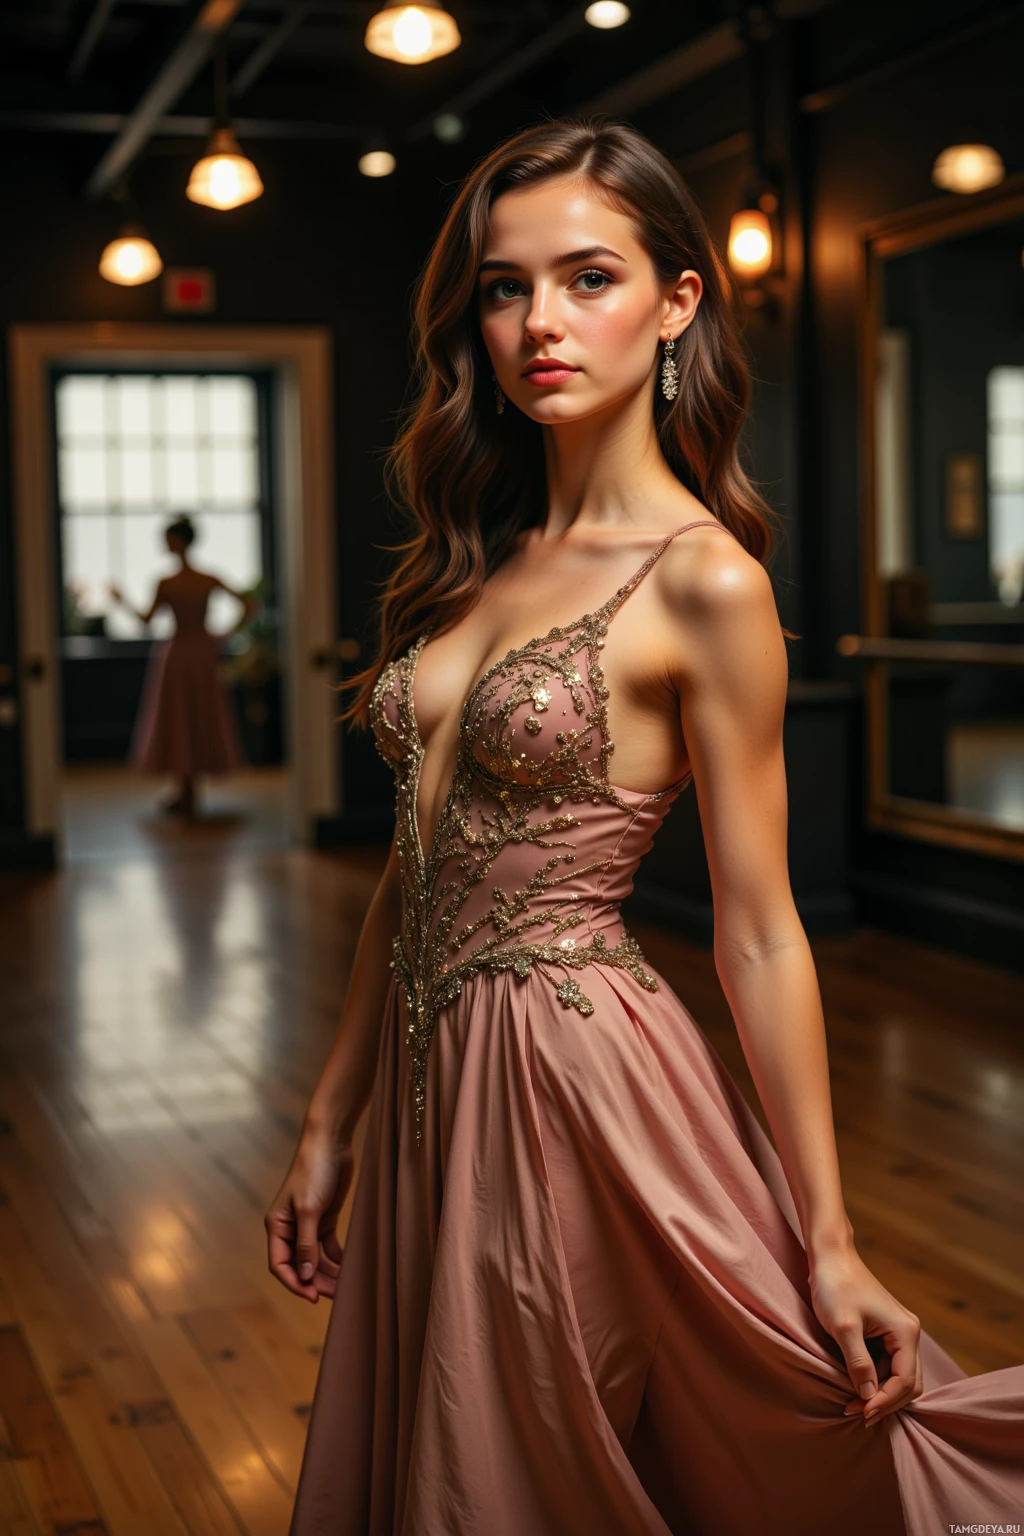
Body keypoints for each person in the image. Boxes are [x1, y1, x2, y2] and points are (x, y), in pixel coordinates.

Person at [269, 120, 1024, 1535]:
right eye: (505, 287)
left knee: (545, 1458)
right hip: (436, 1072)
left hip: (578, 1083)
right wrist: (332, 1118)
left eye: (589, 278)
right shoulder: (470, 558)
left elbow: (759, 930)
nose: (539, 322)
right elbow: (415, 864)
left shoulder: (706, 586)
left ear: (678, 301)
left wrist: (833, 1238)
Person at [110, 514, 254, 815]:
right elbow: (249, 605)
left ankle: (186, 790)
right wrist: (223, 634)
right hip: (201, 652)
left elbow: (147, 621)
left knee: (179, 717)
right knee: (196, 715)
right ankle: (186, 789)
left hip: (178, 654)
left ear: (177, 541)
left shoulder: (168, 582)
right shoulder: (206, 579)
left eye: (167, 538)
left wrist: (122, 600)